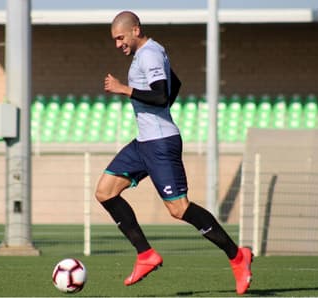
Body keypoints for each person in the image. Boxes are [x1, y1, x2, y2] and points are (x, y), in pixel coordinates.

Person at [95, 10, 253, 295]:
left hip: (160, 143)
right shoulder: (145, 55)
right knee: (105, 191)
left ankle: (237, 255)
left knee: (179, 209)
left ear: (135, 29)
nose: (118, 44)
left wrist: (124, 89)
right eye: (115, 40)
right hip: (143, 142)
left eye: (120, 38)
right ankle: (145, 255)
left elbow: (161, 94)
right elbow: (174, 84)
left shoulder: (150, 54)